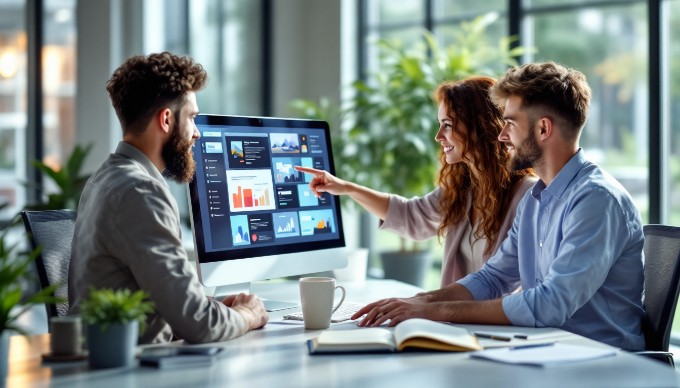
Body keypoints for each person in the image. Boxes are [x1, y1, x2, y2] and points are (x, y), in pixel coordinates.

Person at [352, 62, 645, 351]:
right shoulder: (536, 201)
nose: (502, 135)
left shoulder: (596, 200)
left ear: (543, 129)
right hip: (551, 351)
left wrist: (437, 311)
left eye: (510, 123)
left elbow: (549, 305)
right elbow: (493, 278)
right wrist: (422, 301)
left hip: (603, 362)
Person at [68, 52, 268, 344]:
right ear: (166, 119)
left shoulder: (104, 178)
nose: (197, 133)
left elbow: (174, 304)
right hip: (134, 369)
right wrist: (249, 314)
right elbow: (199, 324)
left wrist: (213, 308)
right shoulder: (141, 191)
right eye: (192, 118)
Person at [296, 76, 536, 286]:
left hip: (499, 329)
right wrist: (346, 188)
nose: (438, 136)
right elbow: (409, 215)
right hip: (462, 322)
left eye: (448, 125)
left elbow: (521, 285)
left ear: (479, 127)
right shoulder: (463, 190)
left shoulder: (528, 195)